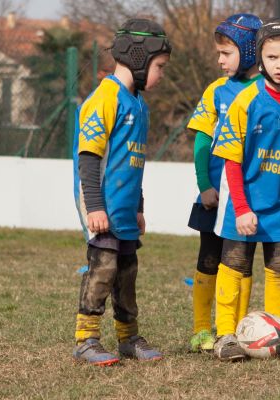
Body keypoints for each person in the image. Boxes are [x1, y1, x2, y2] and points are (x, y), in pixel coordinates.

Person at [211, 17, 280, 361]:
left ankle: (278, 331)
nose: (279, 65)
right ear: (260, 58)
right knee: (234, 264)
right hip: (244, 204)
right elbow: (231, 160)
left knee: (279, 266)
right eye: (272, 57)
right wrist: (242, 208)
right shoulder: (246, 100)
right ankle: (225, 335)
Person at [71, 18, 171, 366]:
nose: (160, 75)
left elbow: (134, 164)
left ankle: (128, 338)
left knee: (127, 270)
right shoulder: (105, 98)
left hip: (125, 206)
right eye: (159, 67)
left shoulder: (139, 105)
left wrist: (139, 206)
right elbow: (88, 157)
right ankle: (86, 338)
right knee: (104, 268)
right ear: (138, 57)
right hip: (101, 203)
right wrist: (95, 207)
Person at [186, 13, 263, 353]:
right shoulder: (216, 91)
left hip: (250, 198)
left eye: (226, 52)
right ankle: (203, 330)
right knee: (208, 259)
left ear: (249, 52)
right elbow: (202, 142)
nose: (219, 60)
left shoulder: (266, 92)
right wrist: (205, 184)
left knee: (242, 262)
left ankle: (235, 328)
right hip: (217, 193)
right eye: (219, 52)